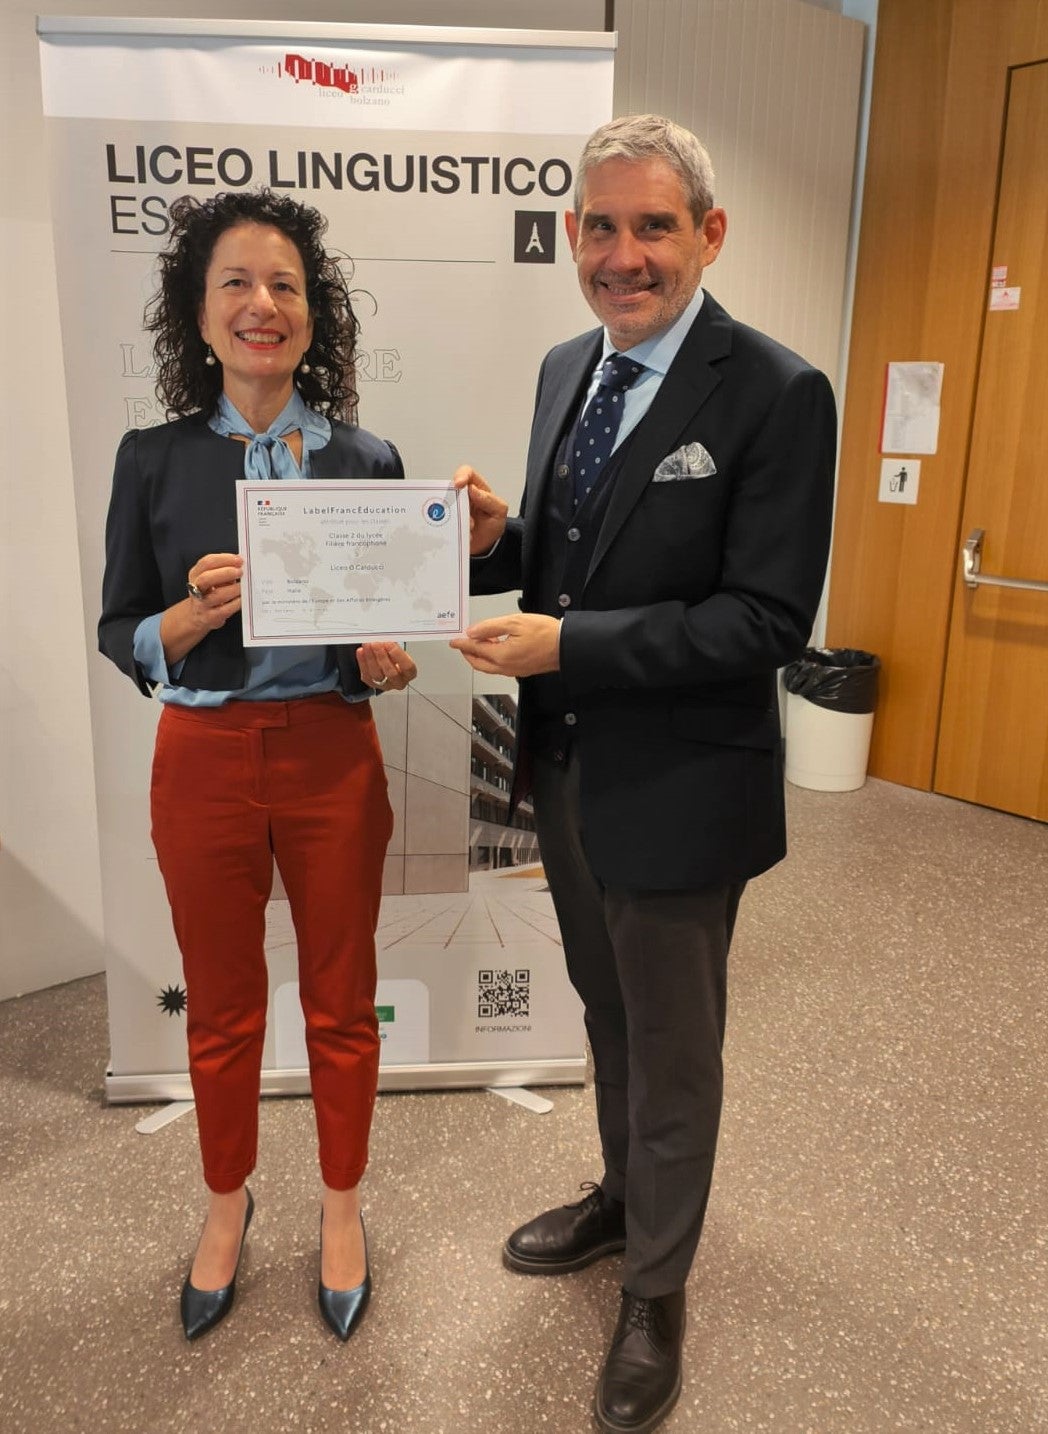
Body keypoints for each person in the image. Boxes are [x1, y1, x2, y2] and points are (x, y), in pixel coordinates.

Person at [452, 114, 836, 1433]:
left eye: (653, 226)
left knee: (674, 1047)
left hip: (682, 785)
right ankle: (624, 1199)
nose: (625, 256)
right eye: (601, 228)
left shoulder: (777, 392)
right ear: (575, 240)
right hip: (560, 767)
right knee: (606, 1014)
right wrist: (498, 538)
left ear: (707, 235)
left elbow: (765, 622)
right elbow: (566, 559)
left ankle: (658, 1288)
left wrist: (569, 641)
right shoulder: (572, 366)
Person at [99, 188, 416, 1344]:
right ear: (198, 314)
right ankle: (226, 1200)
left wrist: (384, 664)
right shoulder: (153, 459)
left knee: (341, 1001)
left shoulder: (368, 458)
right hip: (203, 756)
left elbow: (384, 626)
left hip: (333, 753)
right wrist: (184, 619)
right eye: (235, 282)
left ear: (313, 314)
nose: (261, 305)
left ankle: (341, 1203)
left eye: (283, 284)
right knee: (223, 1007)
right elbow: (117, 627)